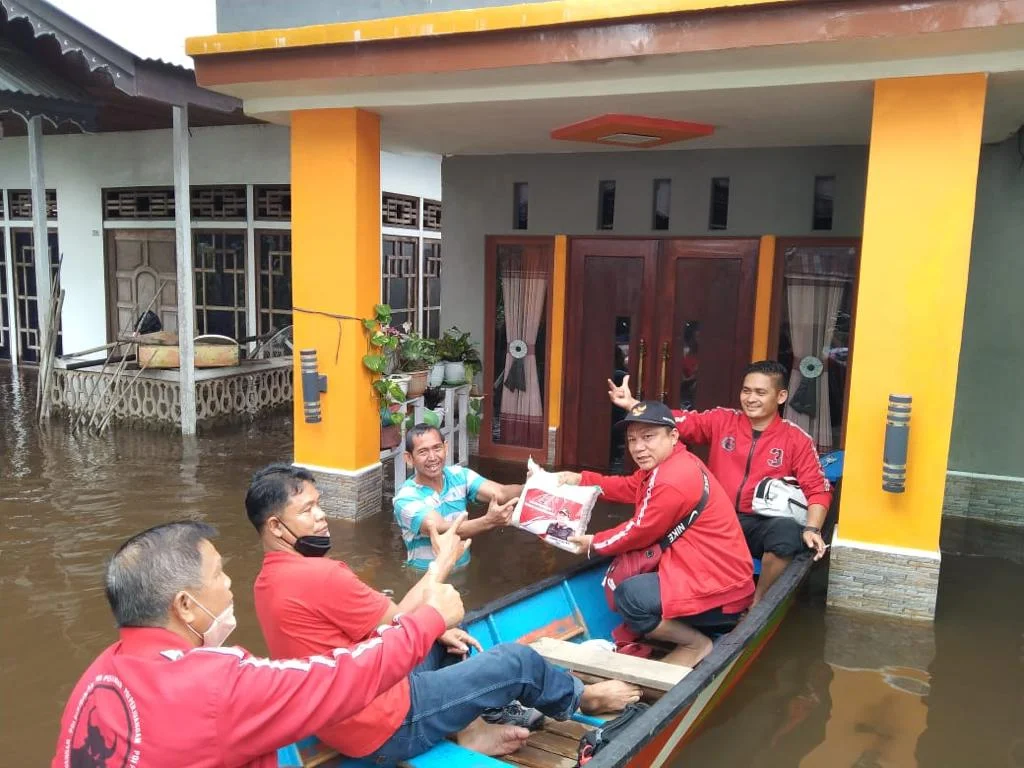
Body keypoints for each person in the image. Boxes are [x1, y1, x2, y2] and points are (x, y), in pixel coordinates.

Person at [247, 464, 641, 764]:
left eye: (319, 505)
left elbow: (379, 630)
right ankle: (583, 698)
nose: (321, 516)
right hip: (383, 724)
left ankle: (471, 733)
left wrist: (434, 627)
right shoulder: (319, 575)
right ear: (278, 527)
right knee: (515, 662)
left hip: (345, 714)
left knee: (450, 643)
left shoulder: (267, 580)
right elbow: (400, 618)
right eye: (309, 509)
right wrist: (443, 562)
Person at [51, 521, 464, 768]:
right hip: (370, 716)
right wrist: (429, 620)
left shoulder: (95, 679)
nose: (229, 583)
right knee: (514, 664)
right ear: (185, 606)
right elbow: (341, 677)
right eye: (218, 575)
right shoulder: (215, 683)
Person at [609, 360, 832, 606]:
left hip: (760, 524)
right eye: (746, 391)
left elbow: (818, 489)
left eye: (760, 392)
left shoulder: (796, 439)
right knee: (665, 524)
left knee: (787, 534)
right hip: (716, 520)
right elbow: (678, 422)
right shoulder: (722, 420)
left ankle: (758, 603)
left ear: (780, 396)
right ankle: (674, 597)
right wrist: (633, 405)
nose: (751, 398)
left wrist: (812, 529)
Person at [559, 401, 754, 667]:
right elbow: (630, 486)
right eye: (632, 440)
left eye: (648, 437)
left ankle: (694, 644)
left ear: (673, 436)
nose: (638, 447)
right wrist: (582, 479)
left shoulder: (671, 478)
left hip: (721, 593)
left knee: (629, 595)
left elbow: (639, 530)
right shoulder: (672, 463)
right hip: (713, 574)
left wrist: (593, 543)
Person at [393, 423, 523, 569]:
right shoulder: (405, 498)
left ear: (446, 448)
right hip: (426, 578)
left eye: (437, 448)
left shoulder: (459, 475)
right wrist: (488, 521)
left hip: (463, 567)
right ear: (409, 458)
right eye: (423, 452)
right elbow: (441, 528)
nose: (432, 457)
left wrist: (534, 484)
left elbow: (501, 493)